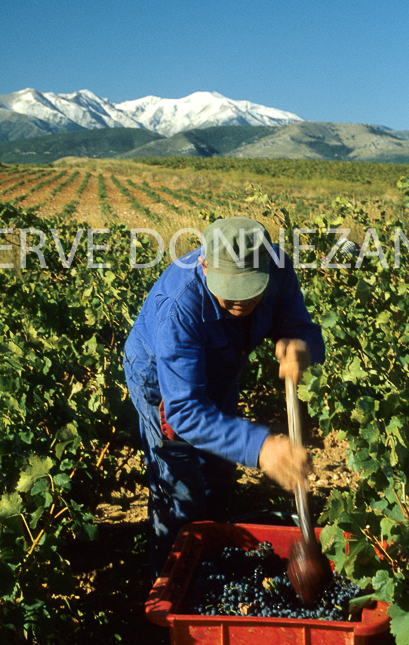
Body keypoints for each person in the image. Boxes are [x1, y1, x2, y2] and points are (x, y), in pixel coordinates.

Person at [123, 216, 325, 581]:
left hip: (222, 368)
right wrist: (262, 448)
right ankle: (173, 589)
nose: (240, 300)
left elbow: (299, 326)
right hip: (161, 383)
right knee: (180, 492)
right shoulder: (180, 307)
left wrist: (300, 347)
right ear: (204, 264)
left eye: (251, 287)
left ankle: (212, 559)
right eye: (228, 288)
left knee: (218, 471)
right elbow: (184, 410)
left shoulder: (278, 266)